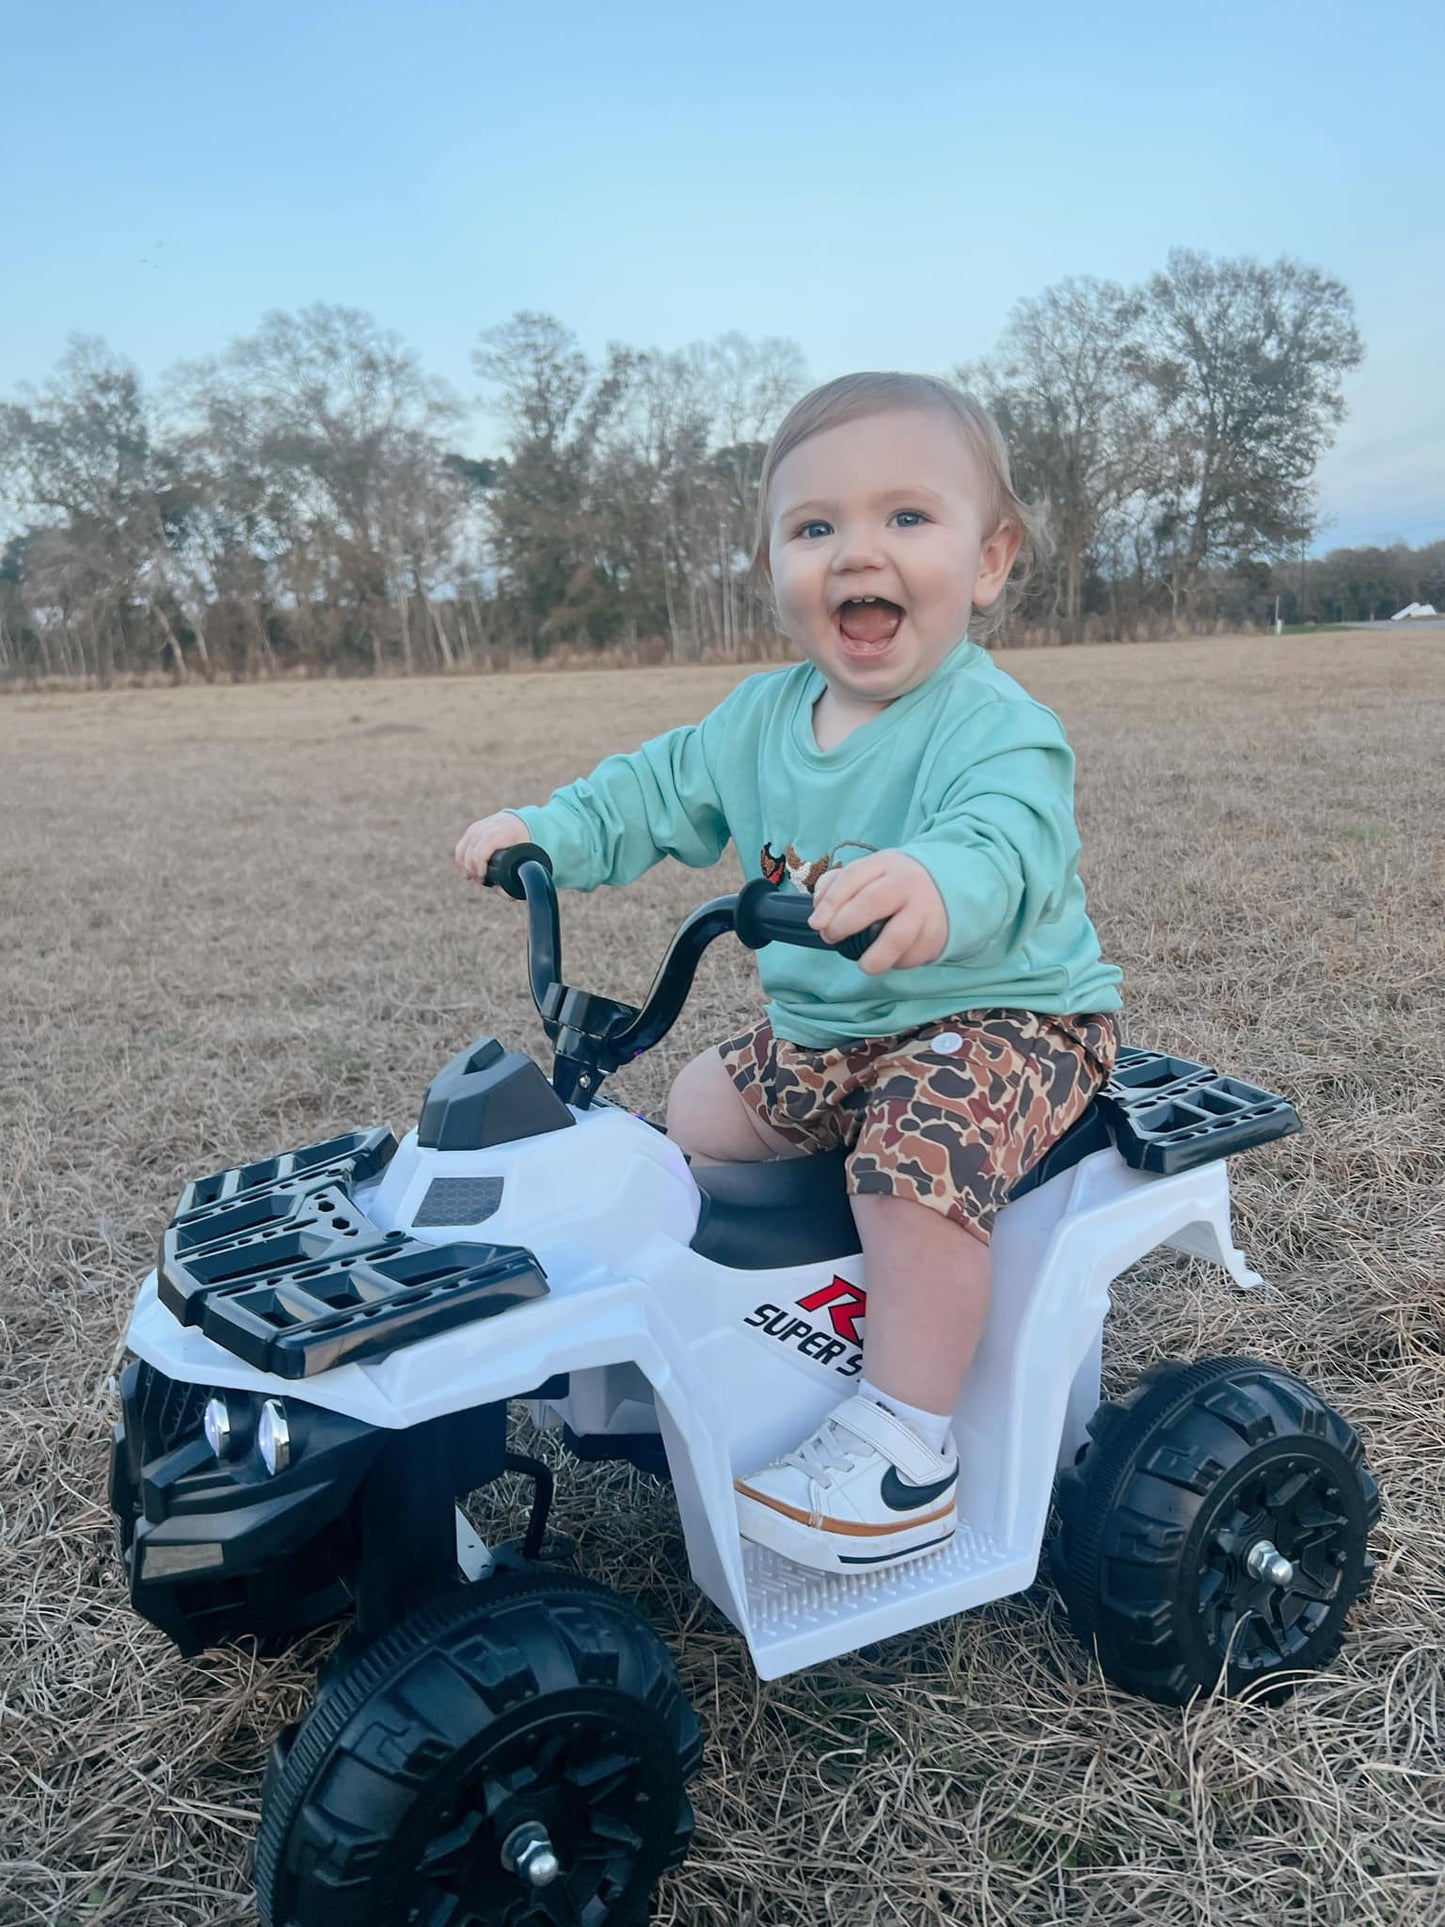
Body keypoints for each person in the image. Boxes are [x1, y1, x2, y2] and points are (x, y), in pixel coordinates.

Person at [455, 372, 1123, 1575]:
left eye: (905, 519)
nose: (855, 552)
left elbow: (1007, 839)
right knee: (698, 1108)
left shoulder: (992, 725)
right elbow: (652, 792)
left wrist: (934, 882)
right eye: (814, 528)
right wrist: (548, 829)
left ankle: (907, 1444)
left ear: (989, 559)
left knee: (915, 1143)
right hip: (838, 1033)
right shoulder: (757, 721)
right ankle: (766, 1329)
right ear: (771, 563)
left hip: (1007, 1019)